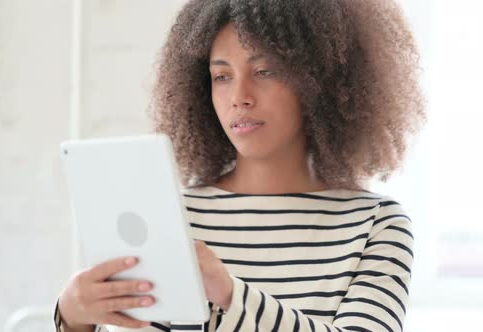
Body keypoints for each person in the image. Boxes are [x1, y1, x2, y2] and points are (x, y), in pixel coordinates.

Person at [54, 0, 426, 331]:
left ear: (322, 81)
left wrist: (233, 296)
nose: (239, 97)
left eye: (265, 71)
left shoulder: (377, 225)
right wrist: (74, 317)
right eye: (222, 76)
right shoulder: (170, 216)